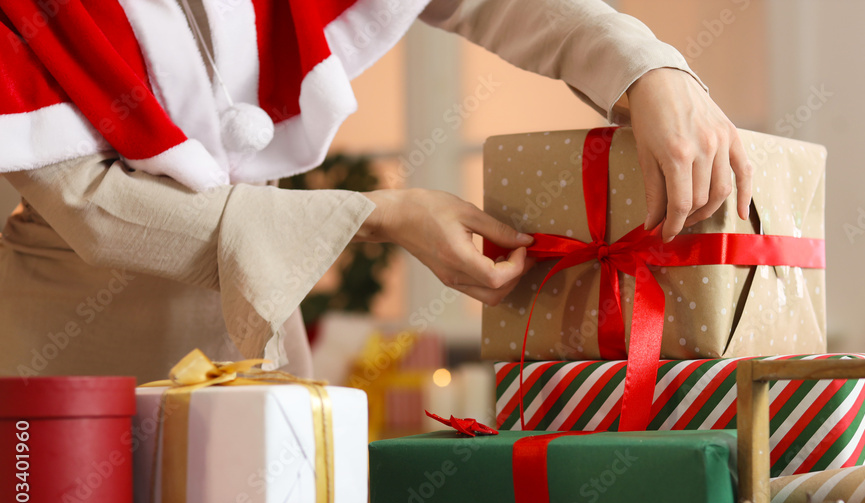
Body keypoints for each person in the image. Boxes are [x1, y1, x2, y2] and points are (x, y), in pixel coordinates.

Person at [0, 0, 751, 383]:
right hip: (73, 363)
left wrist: (648, 70)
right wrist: (380, 213)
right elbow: (98, 211)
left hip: (261, 345)